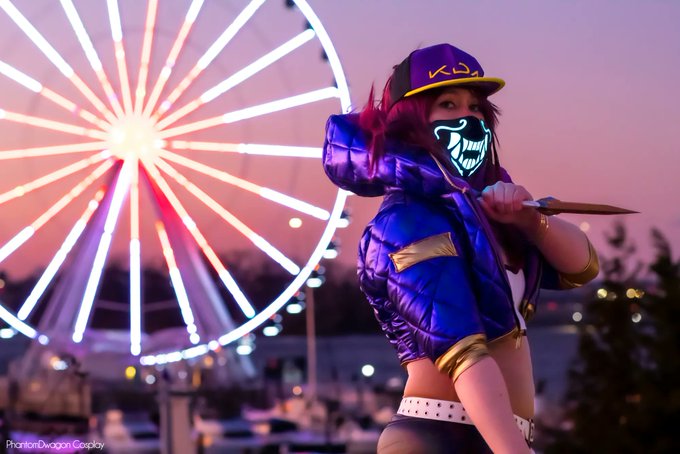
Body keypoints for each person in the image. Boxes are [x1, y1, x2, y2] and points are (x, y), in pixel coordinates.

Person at [322, 43, 599, 453]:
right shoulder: (406, 222)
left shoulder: (481, 212)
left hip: (482, 435)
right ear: (409, 121)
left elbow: (582, 267)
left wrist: (531, 220)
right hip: (441, 433)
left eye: (475, 107)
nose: (468, 119)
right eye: (448, 105)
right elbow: (461, 351)